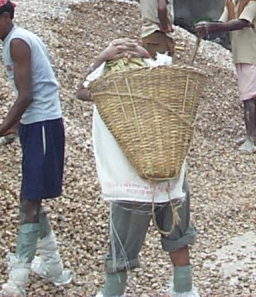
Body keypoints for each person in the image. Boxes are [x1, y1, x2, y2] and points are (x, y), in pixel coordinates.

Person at [0, 0, 73, 295]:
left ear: (5, 17)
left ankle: (18, 281)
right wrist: (13, 129)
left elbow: (26, 96)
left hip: (42, 123)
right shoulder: (14, 40)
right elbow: (27, 94)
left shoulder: (17, 42)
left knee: (29, 202)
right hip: (35, 124)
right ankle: (53, 266)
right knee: (32, 197)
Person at [76, 39, 200, 297]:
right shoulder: (162, 81)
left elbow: (82, 90)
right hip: (170, 176)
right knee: (178, 239)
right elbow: (171, 69)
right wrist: (145, 55)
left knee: (121, 249)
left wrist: (101, 57)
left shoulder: (110, 90)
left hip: (130, 184)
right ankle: (184, 290)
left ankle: (112, 293)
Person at [195, 0, 256, 153]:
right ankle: (255, 135)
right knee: (247, 95)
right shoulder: (230, 1)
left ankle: (251, 139)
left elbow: (242, 22)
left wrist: (212, 27)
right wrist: (207, 27)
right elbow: (222, 22)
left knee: (248, 96)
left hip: (251, 53)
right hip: (238, 54)